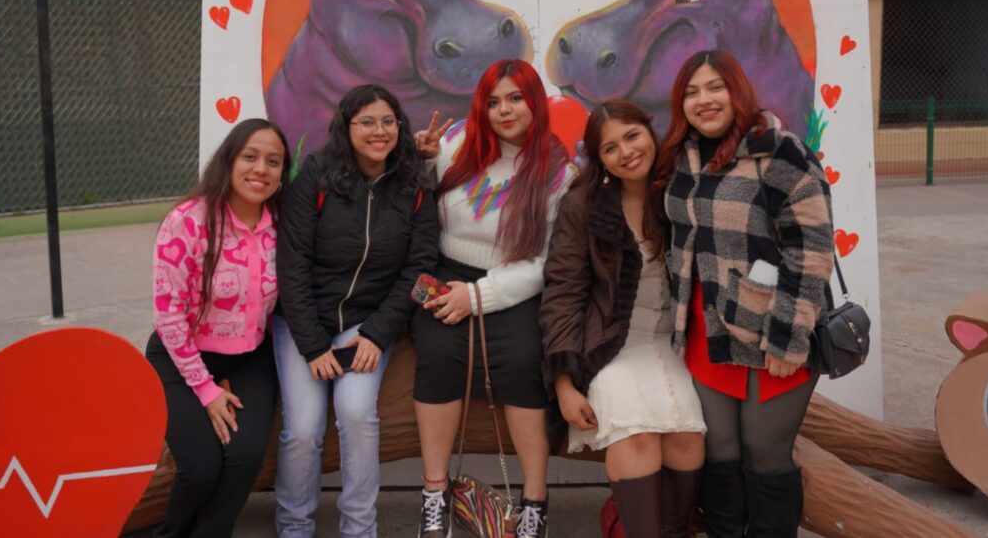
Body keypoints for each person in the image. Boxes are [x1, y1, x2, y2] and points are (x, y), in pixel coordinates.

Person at [656, 50, 835, 538]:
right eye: (691, 92)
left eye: (715, 87)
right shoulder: (681, 157)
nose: (704, 100)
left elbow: (812, 248)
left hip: (773, 326)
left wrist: (787, 337)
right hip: (706, 329)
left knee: (765, 454)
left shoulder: (779, 152)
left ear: (738, 91)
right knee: (720, 454)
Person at [410, 59, 578, 538]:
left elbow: (544, 262)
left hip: (511, 282)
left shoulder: (556, 173)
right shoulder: (454, 147)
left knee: (525, 359)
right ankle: (434, 494)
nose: (504, 110)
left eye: (516, 98)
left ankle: (534, 502)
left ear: (535, 103)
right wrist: (420, 160)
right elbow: (419, 208)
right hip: (446, 272)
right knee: (438, 355)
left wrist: (479, 297)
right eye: (494, 100)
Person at [274, 84, 439, 538]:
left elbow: (420, 269)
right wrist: (311, 344)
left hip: (367, 324)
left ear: (400, 127)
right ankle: (293, 527)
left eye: (388, 121)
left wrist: (378, 333)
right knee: (303, 430)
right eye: (366, 121)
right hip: (303, 324)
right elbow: (291, 263)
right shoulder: (317, 176)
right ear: (347, 128)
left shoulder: (415, 184)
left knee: (356, 413)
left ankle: (360, 529)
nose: (379, 131)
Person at [540, 100, 706, 538]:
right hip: (611, 346)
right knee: (637, 438)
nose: (626, 151)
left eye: (632, 136)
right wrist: (564, 383)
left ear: (649, 133)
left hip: (672, 345)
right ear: (600, 160)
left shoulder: (678, 191)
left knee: (688, 439)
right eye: (610, 147)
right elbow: (562, 292)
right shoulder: (583, 204)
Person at [146, 117, 291, 538]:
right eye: (250, 156)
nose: (260, 169)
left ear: (283, 174)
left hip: (250, 357)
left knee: (245, 459)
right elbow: (168, 314)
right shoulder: (187, 221)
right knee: (200, 467)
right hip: (181, 355)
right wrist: (207, 390)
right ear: (229, 160)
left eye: (274, 161)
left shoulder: (284, 225)